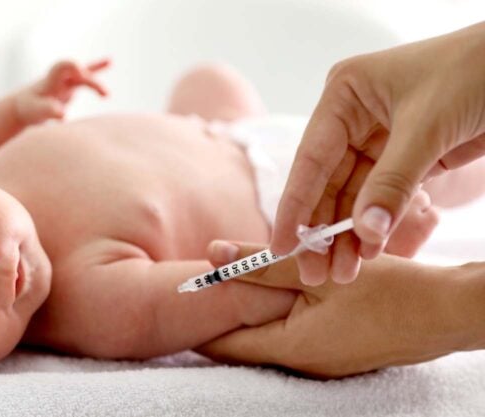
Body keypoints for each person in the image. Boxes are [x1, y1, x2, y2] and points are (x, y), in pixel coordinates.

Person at [0, 57, 462, 377]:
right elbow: (211, 287)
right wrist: (279, 272)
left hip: (220, 135)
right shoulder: (84, 304)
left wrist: (28, 101)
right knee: (435, 171)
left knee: (210, 80)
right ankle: (395, 232)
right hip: (293, 198)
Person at [202, 21, 485, 378]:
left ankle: (454, 161)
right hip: (274, 212)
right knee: (424, 171)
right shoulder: (107, 258)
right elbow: (158, 302)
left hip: (239, 135)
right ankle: (404, 219)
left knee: (207, 79)